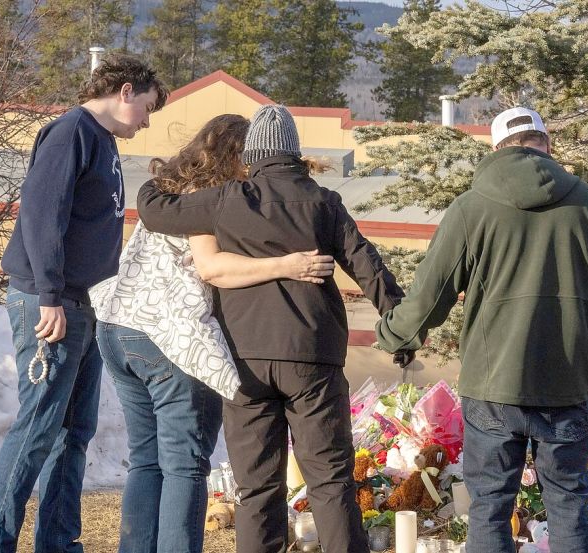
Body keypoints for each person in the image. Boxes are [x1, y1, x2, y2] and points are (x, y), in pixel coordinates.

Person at [375, 107, 588, 553]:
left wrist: (394, 336)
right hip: (566, 386)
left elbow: (429, 298)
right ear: (547, 146)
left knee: (489, 509)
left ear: (496, 150)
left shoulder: (471, 208)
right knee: (567, 508)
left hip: (493, 387)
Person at [136, 105, 404, 553]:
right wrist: (401, 326)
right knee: (330, 482)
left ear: (253, 153)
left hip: (247, 360)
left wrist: (172, 172)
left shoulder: (225, 199)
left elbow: (153, 211)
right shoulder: (325, 203)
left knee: (257, 486)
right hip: (313, 358)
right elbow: (369, 268)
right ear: (294, 153)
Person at [89, 114, 335, 553]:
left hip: (117, 325)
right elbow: (212, 268)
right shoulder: (207, 198)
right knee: (184, 464)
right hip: (170, 336)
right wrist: (288, 265)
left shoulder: (170, 190)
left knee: (147, 460)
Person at [0, 54, 169, 553]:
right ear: (125, 90)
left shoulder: (102, 142)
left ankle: (58, 543)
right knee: (39, 425)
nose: (147, 121)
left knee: (73, 431)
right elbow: (42, 215)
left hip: (86, 304)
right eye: (147, 107)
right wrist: (49, 297)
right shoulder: (71, 132)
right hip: (51, 304)